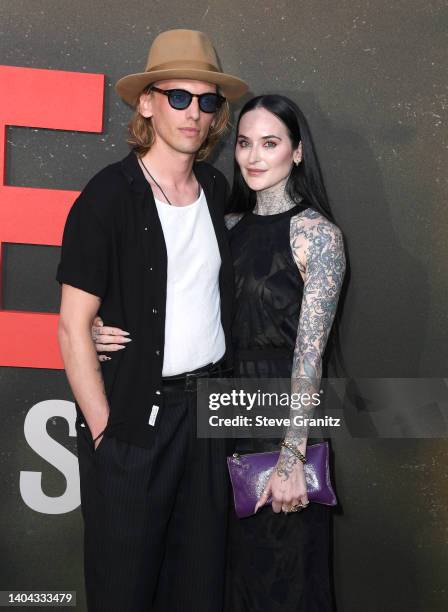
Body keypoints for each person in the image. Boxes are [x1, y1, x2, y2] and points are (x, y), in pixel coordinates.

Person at [92, 94, 346, 611]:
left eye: (270, 143)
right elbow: (173, 301)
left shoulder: (317, 236)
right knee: (212, 581)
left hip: (279, 418)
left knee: (282, 578)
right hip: (211, 423)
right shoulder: (223, 225)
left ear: (296, 153)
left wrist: (291, 455)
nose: (253, 157)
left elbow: (309, 357)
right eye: (245, 143)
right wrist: (100, 326)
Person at [56, 29, 248, 612]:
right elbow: (72, 325)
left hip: (207, 416)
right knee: (123, 589)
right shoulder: (108, 196)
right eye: (179, 98)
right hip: (136, 421)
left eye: (208, 101)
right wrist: (104, 433)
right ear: (147, 102)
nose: (195, 113)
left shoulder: (216, 189)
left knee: (199, 586)